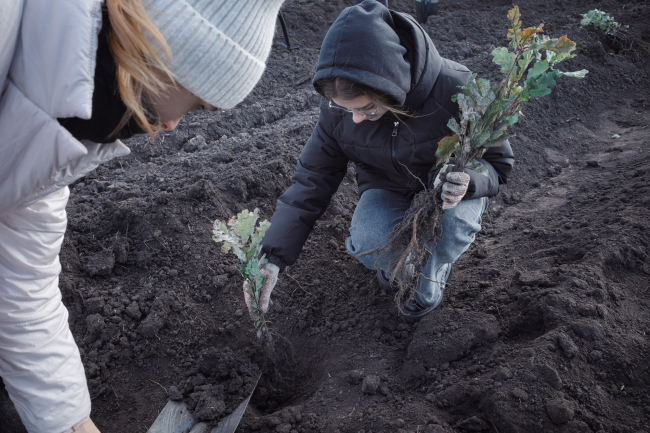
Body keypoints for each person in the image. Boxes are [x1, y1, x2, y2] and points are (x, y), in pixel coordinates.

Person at [0, 0, 284, 432]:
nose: (171, 126)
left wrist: (73, 424)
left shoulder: (67, 136)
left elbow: (21, 288)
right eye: (194, 105)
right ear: (166, 52)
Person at [244, 0, 514, 325]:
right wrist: (272, 258)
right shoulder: (337, 110)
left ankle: (431, 277)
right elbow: (312, 179)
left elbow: (498, 165)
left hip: (449, 191)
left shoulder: (457, 90)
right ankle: (402, 267)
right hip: (387, 184)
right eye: (346, 109)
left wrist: (469, 180)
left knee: (451, 228)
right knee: (371, 242)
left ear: (392, 86)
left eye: (368, 108)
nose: (356, 119)